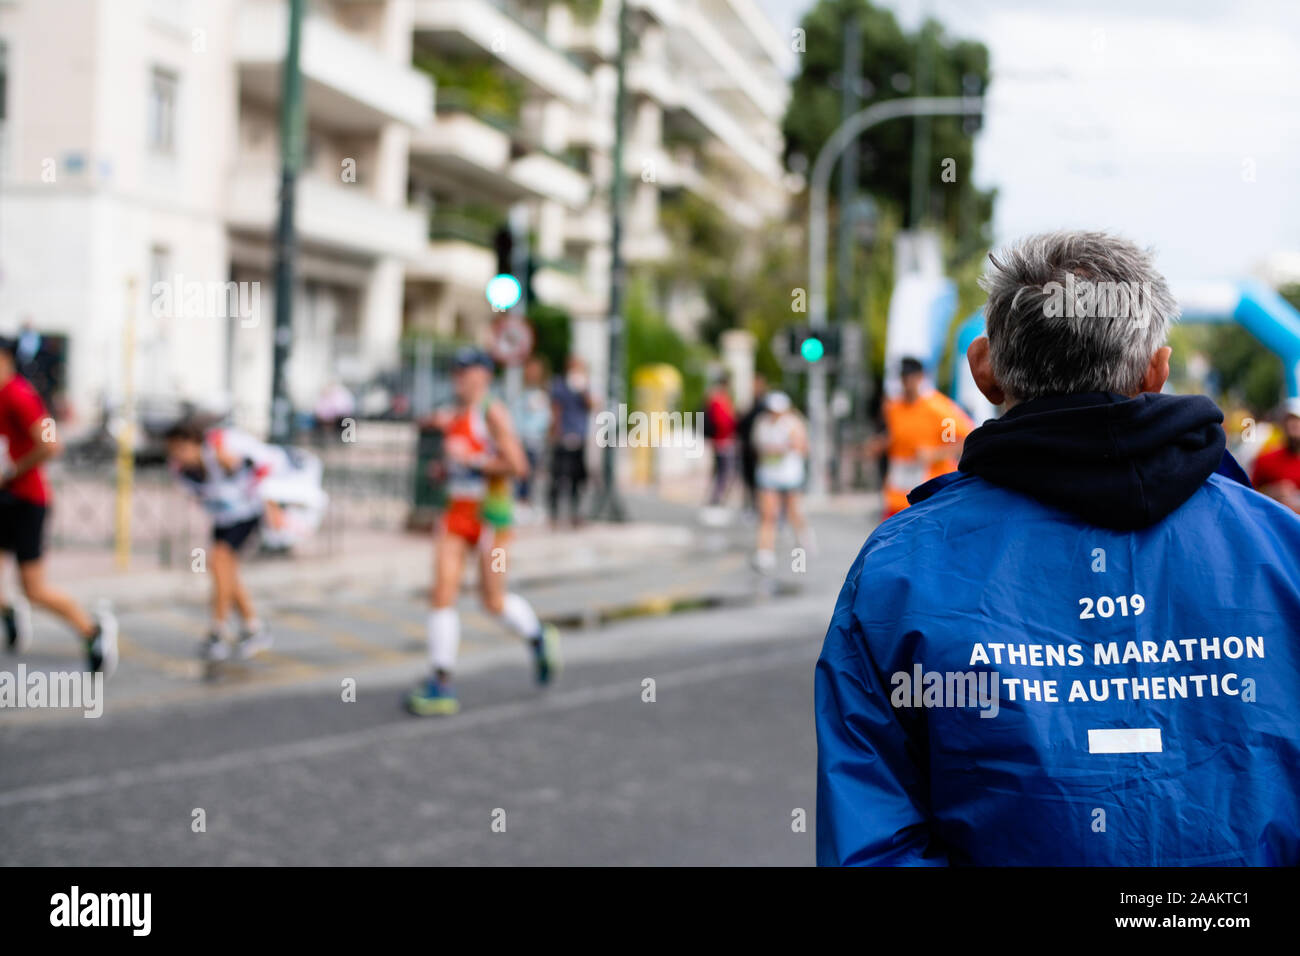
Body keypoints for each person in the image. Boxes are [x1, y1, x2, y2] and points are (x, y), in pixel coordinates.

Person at [816, 231, 1300, 866]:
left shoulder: (897, 571)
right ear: (1157, 369)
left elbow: (871, 841)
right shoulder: (1282, 549)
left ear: (983, 369)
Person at [407, 348, 560, 716]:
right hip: (457, 516)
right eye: (456, 371)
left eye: (468, 371)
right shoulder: (455, 413)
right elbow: (460, 462)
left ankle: (538, 636)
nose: (460, 378)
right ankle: (441, 682)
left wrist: (471, 461)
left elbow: (518, 465)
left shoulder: (492, 412)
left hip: (492, 520)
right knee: (442, 593)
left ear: (485, 376)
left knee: (491, 601)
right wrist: (446, 471)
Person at [0, 336, 118, 673]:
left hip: (26, 501)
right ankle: (10, 614)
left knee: (33, 588)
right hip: (4, 498)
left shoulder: (21, 395)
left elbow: (52, 445)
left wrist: (11, 470)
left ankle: (93, 631)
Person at [164, 419, 281, 662]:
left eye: (181, 449)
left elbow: (254, 473)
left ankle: (217, 631)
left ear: (195, 444)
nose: (177, 455)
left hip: (246, 514)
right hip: (223, 519)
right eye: (173, 450)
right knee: (226, 573)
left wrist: (271, 505)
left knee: (218, 564)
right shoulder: (182, 470)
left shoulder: (219, 454)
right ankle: (254, 628)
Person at [868, 357, 974, 519]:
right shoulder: (893, 408)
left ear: (920, 377)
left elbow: (963, 439)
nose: (906, 382)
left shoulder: (939, 409)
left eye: (910, 376)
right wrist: (881, 444)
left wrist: (935, 454)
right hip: (897, 494)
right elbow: (897, 435)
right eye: (903, 377)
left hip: (930, 494)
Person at [751, 391, 811, 571]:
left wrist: (786, 447)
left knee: (793, 512)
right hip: (768, 475)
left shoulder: (794, 423)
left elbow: (802, 447)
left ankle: (802, 537)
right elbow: (757, 447)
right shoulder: (762, 424)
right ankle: (765, 552)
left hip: (790, 475)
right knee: (768, 515)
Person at [548, 356, 592, 528]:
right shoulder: (560, 385)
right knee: (558, 478)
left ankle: (575, 513)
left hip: (579, 437)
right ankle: (554, 514)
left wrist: (583, 391)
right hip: (563, 437)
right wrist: (557, 433)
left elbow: (591, 405)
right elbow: (556, 409)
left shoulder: (584, 386)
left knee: (577, 479)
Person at [512, 355, 552, 507]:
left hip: (535, 439)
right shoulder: (520, 392)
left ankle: (529, 502)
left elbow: (546, 418)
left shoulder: (543, 394)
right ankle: (521, 501)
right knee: (521, 472)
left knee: (533, 473)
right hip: (520, 437)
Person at [1250, 398, 1300, 514]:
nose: (1293, 424)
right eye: (1289, 420)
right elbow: (1248, 494)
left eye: (1297, 420)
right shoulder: (1266, 460)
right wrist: (1272, 492)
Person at [736, 373, 769, 514]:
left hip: (757, 450)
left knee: (758, 480)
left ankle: (758, 506)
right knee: (749, 479)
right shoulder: (752, 403)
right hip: (748, 448)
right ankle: (752, 505)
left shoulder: (763, 405)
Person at [704, 372, 738, 506]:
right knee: (724, 471)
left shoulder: (715, 398)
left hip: (720, 440)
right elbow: (722, 422)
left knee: (720, 470)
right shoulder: (719, 400)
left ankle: (716, 496)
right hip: (723, 440)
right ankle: (717, 497)